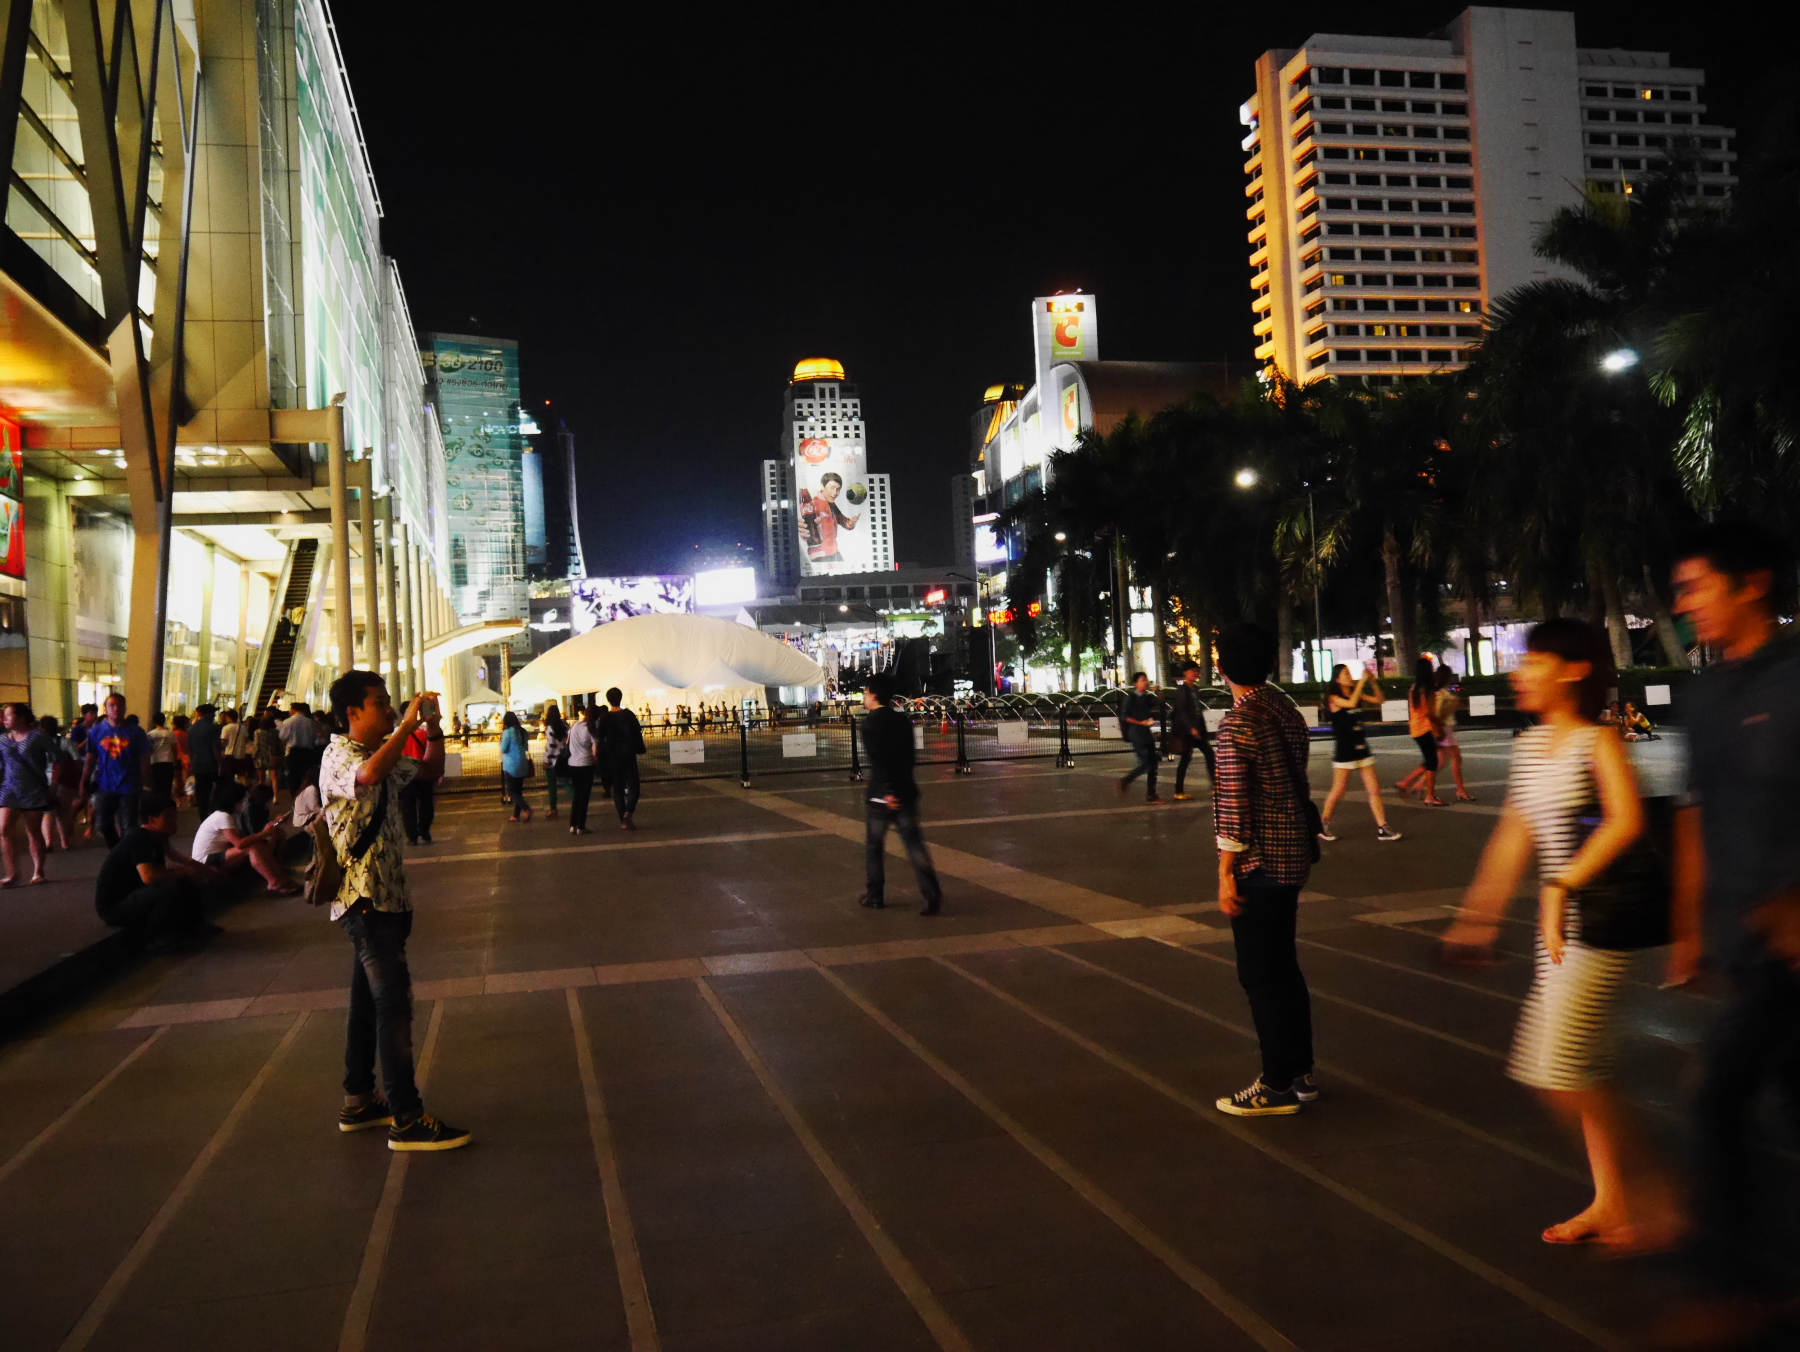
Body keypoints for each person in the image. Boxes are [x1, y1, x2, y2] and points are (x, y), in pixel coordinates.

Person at [1442, 618, 1676, 1252]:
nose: (1521, 672)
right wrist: (1478, 916)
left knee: (1557, 1070)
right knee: (1579, 1067)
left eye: (1534, 660)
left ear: (1574, 670)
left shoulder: (1599, 741)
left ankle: (1656, 1196)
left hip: (1594, 927)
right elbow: (1514, 834)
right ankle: (1614, 1199)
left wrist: (1561, 884)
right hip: (1559, 935)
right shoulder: (1530, 745)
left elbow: (1626, 821)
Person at [1651, 523, 1800, 1349]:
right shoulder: (1705, 696)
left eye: (1697, 585)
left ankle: (1735, 1286)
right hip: (1749, 944)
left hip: (1794, 943)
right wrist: (1687, 929)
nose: (1686, 605)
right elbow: (1695, 815)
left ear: (1753, 584)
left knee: (1717, 1096)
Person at [319, 669, 468, 1151]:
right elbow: (367, 776)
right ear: (352, 713)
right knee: (393, 1005)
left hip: (387, 898)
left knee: (367, 1003)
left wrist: (433, 729)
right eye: (380, 703)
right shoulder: (340, 755)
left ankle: (359, 1100)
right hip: (365, 901)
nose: (388, 709)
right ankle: (406, 1116)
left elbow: (427, 772)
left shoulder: (377, 753)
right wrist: (406, 725)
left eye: (389, 702)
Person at [1211, 622, 1319, 1118]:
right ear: (1271, 663)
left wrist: (1225, 872)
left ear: (1221, 668)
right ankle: (1300, 1073)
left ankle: (1275, 1084)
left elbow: (1234, 807)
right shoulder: (1284, 708)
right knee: (1285, 968)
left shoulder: (1238, 723)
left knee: (1259, 974)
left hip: (1259, 862)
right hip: (1293, 853)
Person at [856, 673, 944, 914]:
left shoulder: (870, 724)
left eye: (866, 693)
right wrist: (900, 788)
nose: (864, 697)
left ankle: (875, 895)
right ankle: (931, 894)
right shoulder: (902, 720)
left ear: (874, 695)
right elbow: (908, 758)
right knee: (915, 845)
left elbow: (880, 761)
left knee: (874, 847)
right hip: (906, 792)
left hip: (882, 796)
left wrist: (888, 791)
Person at [94, 792, 222, 952]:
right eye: (168, 817)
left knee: (184, 881)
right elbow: (149, 876)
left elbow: (179, 858)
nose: (174, 822)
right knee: (173, 887)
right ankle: (154, 938)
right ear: (152, 819)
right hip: (115, 907)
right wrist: (186, 871)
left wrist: (206, 871)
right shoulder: (138, 838)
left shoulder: (158, 838)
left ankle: (194, 927)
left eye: (174, 817)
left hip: (135, 894)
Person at [1318, 664, 1402, 843]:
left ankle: (1383, 827)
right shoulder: (1334, 698)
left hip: (1362, 748)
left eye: (1350, 673)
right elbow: (1350, 703)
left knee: (1374, 790)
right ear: (1338, 679)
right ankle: (1323, 823)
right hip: (1345, 749)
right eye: (1346, 674)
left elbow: (1380, 700)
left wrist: (1373, 683)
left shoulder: (1356, 693)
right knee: (1339, 789)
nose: (1350, 676)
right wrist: (1362, 682)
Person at [193, 779, 296, 894]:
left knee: (258, 844)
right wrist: (265, 833)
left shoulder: (228, 816)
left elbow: (244, 838)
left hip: (218, 856)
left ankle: (281, 877)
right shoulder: (222, 817)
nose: (243, 804)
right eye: (242, 800)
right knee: (251, 848)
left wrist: (271, 827)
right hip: (206, 860)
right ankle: (274, 882)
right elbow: (240, 843)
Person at [81, 693, 150, 847]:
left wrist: (147, 785)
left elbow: (144, 759)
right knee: (103, 825)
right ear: (105, 708)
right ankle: (117, 850)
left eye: (119, 705)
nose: (116, 709)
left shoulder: (136, 732)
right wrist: (84, 781)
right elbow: (90, 757)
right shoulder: (97, 731)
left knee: (128, 826)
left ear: (125, 708)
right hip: (105, 785)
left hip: (130, 785)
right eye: (111, 705)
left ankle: (126, 854)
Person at [0, 703, 54, 886]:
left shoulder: (38, 737)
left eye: (9, 715)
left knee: (33, 830)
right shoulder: (2, 739)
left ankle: (38, 871)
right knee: (4, 829)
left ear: (22, 717)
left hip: (33, 790)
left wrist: (54, 785)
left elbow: (59, 758)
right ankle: (13, 873)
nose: (5, 719)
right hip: (9, 790)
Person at [1396, 656, 1445, 804]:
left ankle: (1406, 784)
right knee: (1432, 762)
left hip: (1416, 728)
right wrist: (1438, 727)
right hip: (1425, 729)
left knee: (1430, 760)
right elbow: (1427, 712)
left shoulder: (1414, 688)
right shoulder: (1426, 689)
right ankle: (1430, 796)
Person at [1167, 661, 1215, 801]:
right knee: (1186, 759)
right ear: (1185, 673)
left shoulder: (1195, 689)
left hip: (1197, 730)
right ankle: (1178, 791)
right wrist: (1191, 727)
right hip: (1187, 732)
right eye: (1192, 670)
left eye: (1196, 670)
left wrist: (1199, 727)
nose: (1195, 673)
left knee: (1209, 754)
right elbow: (1181, 712)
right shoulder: (1182, 690)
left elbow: (1196, 711)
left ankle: (1215, 787)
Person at [598, 687, 645, 829]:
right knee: (634, 787)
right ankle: (628, 813)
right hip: (628, 754)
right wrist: (640, 748)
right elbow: (637, 732)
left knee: (617, 789)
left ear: (608, 700)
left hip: (613, 757)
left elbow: (600, 737)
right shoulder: (628, 714)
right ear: (621, 697)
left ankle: (623, 819)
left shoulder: (605, 717)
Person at [1117, 672, 1166, 804]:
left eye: (1146, 680)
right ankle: (1126, 781)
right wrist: (1140, 722)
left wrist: (1158, 691)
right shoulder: (1131, 698)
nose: (1146, 682)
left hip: (1146, 734)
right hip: (1136, 734)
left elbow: (1161, 700)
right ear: (1136, 684)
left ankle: (1151, 794)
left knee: (1153, 764)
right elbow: (1124, 716)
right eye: (1142, 680)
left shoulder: (1147, 698)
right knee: (1147, 763)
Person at [36, 713, 78, 853]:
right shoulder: (65, 742)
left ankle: (49, 842)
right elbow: (77, 759)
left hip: (44, 780)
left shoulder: (37, 743)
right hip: (64, 780)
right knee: (64, 812)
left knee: (48, 812)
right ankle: (65, 842)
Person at [799, 471, 861, 566]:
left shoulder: (831, 505)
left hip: (834, 552)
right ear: (822, 486)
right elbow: (806, 527)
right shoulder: (813, 504)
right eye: (832, 488)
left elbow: (843, 521)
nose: (835, 493)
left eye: (838, 489)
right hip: (819, 553)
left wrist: (851, 522)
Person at [1435, 664, 1476, 802]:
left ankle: (1416, 785)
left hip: (1444, 729)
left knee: (1441, 761)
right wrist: (1453, 704)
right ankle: (1461, 791)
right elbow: (1439, 714)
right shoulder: (1441, 693)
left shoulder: (1439, 692)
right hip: (1444, 728)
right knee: (1456, 759)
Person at [398, 713, 439, 846]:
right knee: (426, 802)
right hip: (423, 771)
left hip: (406, 773)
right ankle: (425, 832)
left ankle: (412, 836)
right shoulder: (424, 734)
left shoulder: (398, 736)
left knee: (408, 805)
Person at [566, 702, 599, 835]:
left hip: (572, 764)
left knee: (576, 795)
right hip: (586, 764)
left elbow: (567, 742)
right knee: (584, 796)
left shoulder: (575, 725)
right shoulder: (592, 729)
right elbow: (595, 752)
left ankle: (572, 825)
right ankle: (581, 826)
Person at [187, 704, 222, 817]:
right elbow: (216, 748)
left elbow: (189, 748)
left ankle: (202, 815)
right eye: (213, 713)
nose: (214, 715)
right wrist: (220, 763)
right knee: (214, 791)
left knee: (201, 792)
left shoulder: (191, 728)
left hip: (197, 764)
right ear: (208, 714)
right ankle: (212, 813)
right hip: (210, 763)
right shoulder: (213, 728)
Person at [279, 700, 320, 793]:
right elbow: (315, 737)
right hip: (308, 751)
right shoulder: (311, 722)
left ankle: (295, 795)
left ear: (293, 710)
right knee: (305, 775)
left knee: (293, 776)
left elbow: (282, 736)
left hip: (293, 751)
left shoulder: (288, 721)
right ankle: (306, 795)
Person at [499, 711, 532, 824]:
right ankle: (516, 815)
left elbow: (503, 749)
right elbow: (526, 747)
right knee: (518, 790)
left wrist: (501, 741)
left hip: (511, 764)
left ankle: (526, 808)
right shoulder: (523, 732)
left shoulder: (508, 732)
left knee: (512, 791)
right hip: (523, 763)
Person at [541, 704, 569, 820]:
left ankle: (553, 809)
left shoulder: (550, 728)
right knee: (566, 783)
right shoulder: (565, 725)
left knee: (552, 786)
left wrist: (546, 760)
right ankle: (579, 803)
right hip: (564, 757)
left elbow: (551, 745)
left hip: (553, 760)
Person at [147, 712, 179, 801]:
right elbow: (174, 748)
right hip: (168, 760)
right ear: (164, 720)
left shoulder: (150, 734)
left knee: (156, 784)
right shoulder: (170, 733)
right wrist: (175, 760)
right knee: (167, 784)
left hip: (155, 761)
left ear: (153, 721)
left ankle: (157, 803)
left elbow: (148, 749)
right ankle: (166, 802)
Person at [253, 712, 284, 795]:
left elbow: (256, 745)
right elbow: (280, 744)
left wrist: (254, 754)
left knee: (261, 779)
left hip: (261, 756)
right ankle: (276, 796)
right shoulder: (276, 732)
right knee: (274, 777)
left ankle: (259, 794)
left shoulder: (257, 732)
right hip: (273, 755)